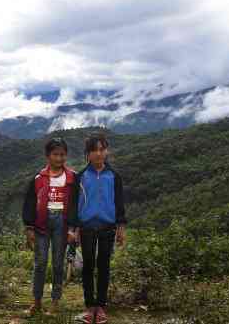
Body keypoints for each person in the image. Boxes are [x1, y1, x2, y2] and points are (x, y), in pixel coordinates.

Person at [68, 133, 127, 324]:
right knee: (88, 267)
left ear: (107, 151)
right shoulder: (81, 177)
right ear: (88, 153)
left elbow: (119, 203)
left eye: (102, 149)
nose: (99, 153)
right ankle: (89, 307)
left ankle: (101, 308)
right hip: (86, 227)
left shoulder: (114, 176)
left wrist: (121, 226)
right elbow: (74, 205)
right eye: (94, 150)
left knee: (103, 266)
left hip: (108, 227)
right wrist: (74, 228)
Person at [22, 137, 78, 315]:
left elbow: (76, 204)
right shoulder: (39, 178)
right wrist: (29, 227)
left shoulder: (71, 178)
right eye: (55, 154)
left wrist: (73, 229)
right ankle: (37, 301)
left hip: (62, 222)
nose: (59, 158)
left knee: (57, 264)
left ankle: (55, 301)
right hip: (41, 223)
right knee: (40, 263)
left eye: (62, 155)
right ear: (48, 156)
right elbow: (30, 203)